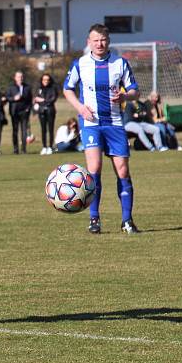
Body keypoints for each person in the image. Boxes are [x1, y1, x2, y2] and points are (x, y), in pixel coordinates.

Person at [63, 23, 140, 234]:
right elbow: (67, 89)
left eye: (103, 40)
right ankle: (94, 219)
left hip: (114, 123)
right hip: (91, 124)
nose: (99, 44)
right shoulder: (80, 64)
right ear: (89, 42)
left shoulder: (120, 63)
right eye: (95, 40)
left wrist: (125, 96)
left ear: (109, 41)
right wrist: (80, 107)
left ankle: (127, 221)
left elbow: (135, 91)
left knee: (122, 170)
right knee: (94, 168)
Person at [6, 70, 32, 154]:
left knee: (24, 131)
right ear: (15, 78)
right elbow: (7, 98)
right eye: (18, 77)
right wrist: (14, 98)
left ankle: (24, 149)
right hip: (14, 112)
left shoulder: (27, 87)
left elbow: (30, 100)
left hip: (24, 112)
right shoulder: (10, 87)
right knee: (15, 131)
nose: (20, 78)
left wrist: (28, 108)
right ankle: (15, 149)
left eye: (21, 77)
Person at [34, 73, 58, 155]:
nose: (46, 81)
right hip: (41, 111)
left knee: (50, 129)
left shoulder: (53, 88)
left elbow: (53, 99)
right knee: (43, 130)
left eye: (47, 80)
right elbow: (36, 98)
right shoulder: (39, 88)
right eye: (44, 79)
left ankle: (50, 147)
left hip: (50, 111)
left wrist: (43, 100)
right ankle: (44, 147)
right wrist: (38, 100)